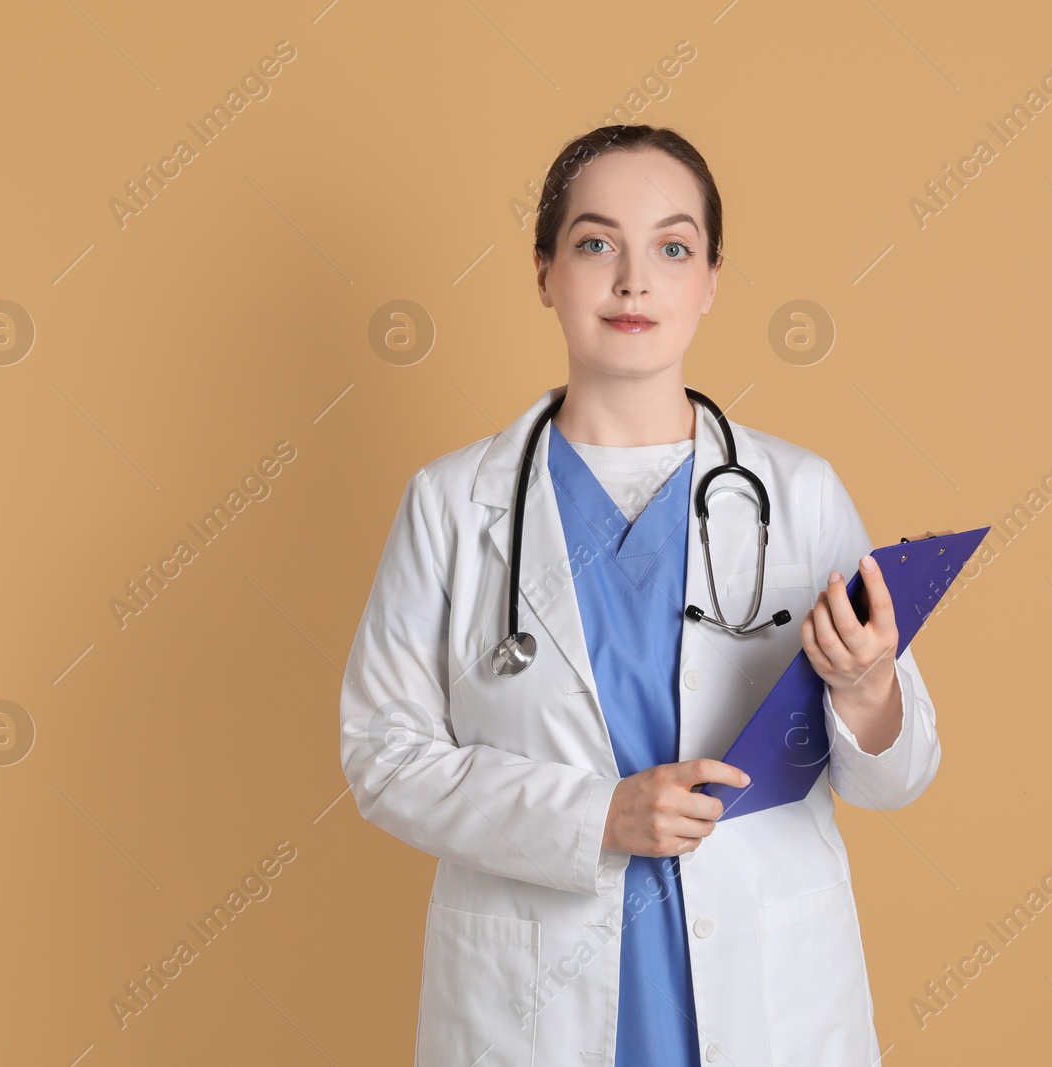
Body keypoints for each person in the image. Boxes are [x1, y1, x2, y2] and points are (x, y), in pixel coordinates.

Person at [340, 124, 941, 1066]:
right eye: (594, 243)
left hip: (766, 996)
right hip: (532, 1001)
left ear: (710, 281)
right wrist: (597, 818)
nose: (634, 280)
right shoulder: (453, 503)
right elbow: (382, 756)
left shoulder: (800, 493)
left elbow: (898, 779)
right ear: (544, 272)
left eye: (672, 247)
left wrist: (867, 691)